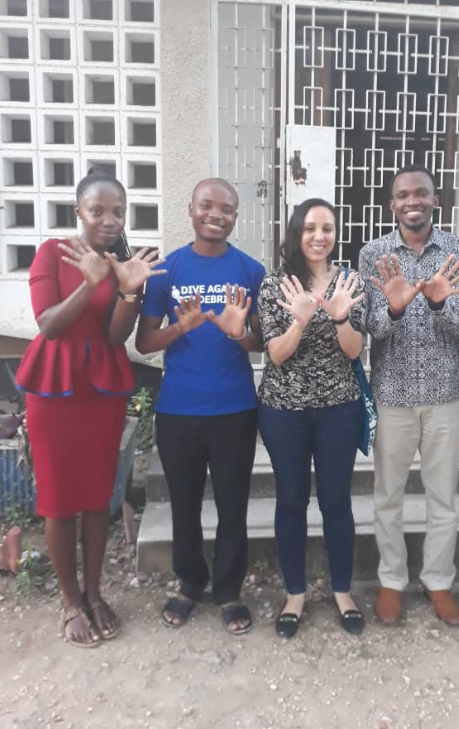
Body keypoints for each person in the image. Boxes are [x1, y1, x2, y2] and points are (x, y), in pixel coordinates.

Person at [15, 168, 165, 647]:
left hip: (102, 388)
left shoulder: (126, 265)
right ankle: (70, 601)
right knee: (59, 500)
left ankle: (95, 593)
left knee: (98, 496)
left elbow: (116, 336)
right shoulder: (52, 253)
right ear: (78, 210)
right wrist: (88, 283)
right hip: (54, 389)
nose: (108, 219)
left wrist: (129, 290)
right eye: (97, 210)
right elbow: (49, 325)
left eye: (117, 211)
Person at [136, 178, 265, 634]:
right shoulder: (167, 270)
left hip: (234, 409)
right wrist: (181, 327)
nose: (216, 214)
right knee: (184, 504)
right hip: (179, 410)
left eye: (226, 208)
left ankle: (229, 590)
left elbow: (262, 342)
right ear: (190, 209)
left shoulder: (251, 270)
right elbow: (144, 342)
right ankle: (190, 583)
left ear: (235, 216)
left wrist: (238, 332)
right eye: (206, 205)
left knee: (233, 505)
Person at [359, 165, 459, 627]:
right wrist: (393, 307)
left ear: (434, 200)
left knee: (442, 497)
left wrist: (439, 301)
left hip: (445, 393)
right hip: (392, 394)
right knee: (387, 495)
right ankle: (391, 580)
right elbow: (371, 328)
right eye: (404, 194)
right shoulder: (374, 254)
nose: (413, 201)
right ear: (393, 204)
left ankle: (438, 581)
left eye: (421, 193)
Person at [257, 198, 366, 638]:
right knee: (291, 500)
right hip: (284, 410)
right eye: (310, 228)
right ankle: (295, 594)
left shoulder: (350, 282)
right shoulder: (275, 284)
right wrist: (299, 322)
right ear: (296, 233)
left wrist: (339, 317)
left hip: (339, 408)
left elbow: (355, 350)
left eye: (327, 228)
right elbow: (276, 355)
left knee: (337, 502)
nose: (319, 236)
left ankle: (342, 591)